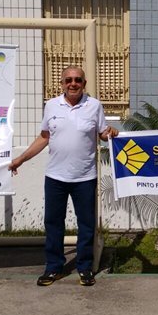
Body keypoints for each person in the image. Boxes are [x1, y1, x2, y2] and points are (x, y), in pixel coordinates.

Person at [9, 66, 118, 287]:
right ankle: (53, 268)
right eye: (68, 80)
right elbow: (44, 137)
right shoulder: (51, 105)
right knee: (53, 223)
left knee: (86, 225)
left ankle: (85, 268)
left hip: (84, 177)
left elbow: (102, 134)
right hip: (55, 177)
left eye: (77, 80)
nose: (73, 83)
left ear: (84, 83)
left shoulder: (94, 105)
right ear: (62, 83)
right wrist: (21, 159)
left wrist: (111, 133)